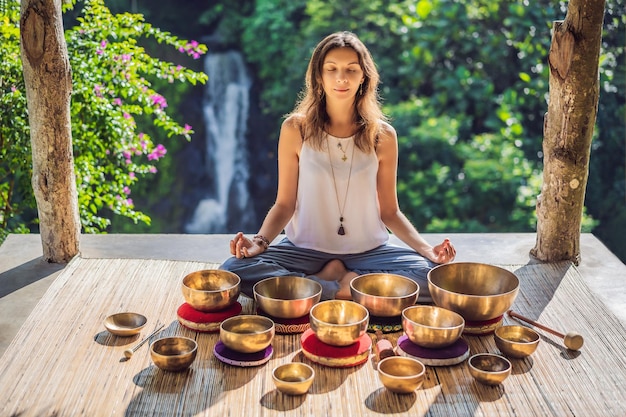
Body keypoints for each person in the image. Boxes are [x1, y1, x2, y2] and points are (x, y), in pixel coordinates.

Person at [219, 31, 455, 302]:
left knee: (440, 280)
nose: (341, 78)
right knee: (234, 270)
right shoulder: (296, 129)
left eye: (350, 70)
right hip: (304, 250)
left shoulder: (383, 135)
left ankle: (329, 285)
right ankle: (345, 288)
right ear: (319, 76)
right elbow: (285, 204)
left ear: (364, 76)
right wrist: (259, 242)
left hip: (369, 252)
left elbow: (390, 212)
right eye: (331, 69)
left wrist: (428, 252)